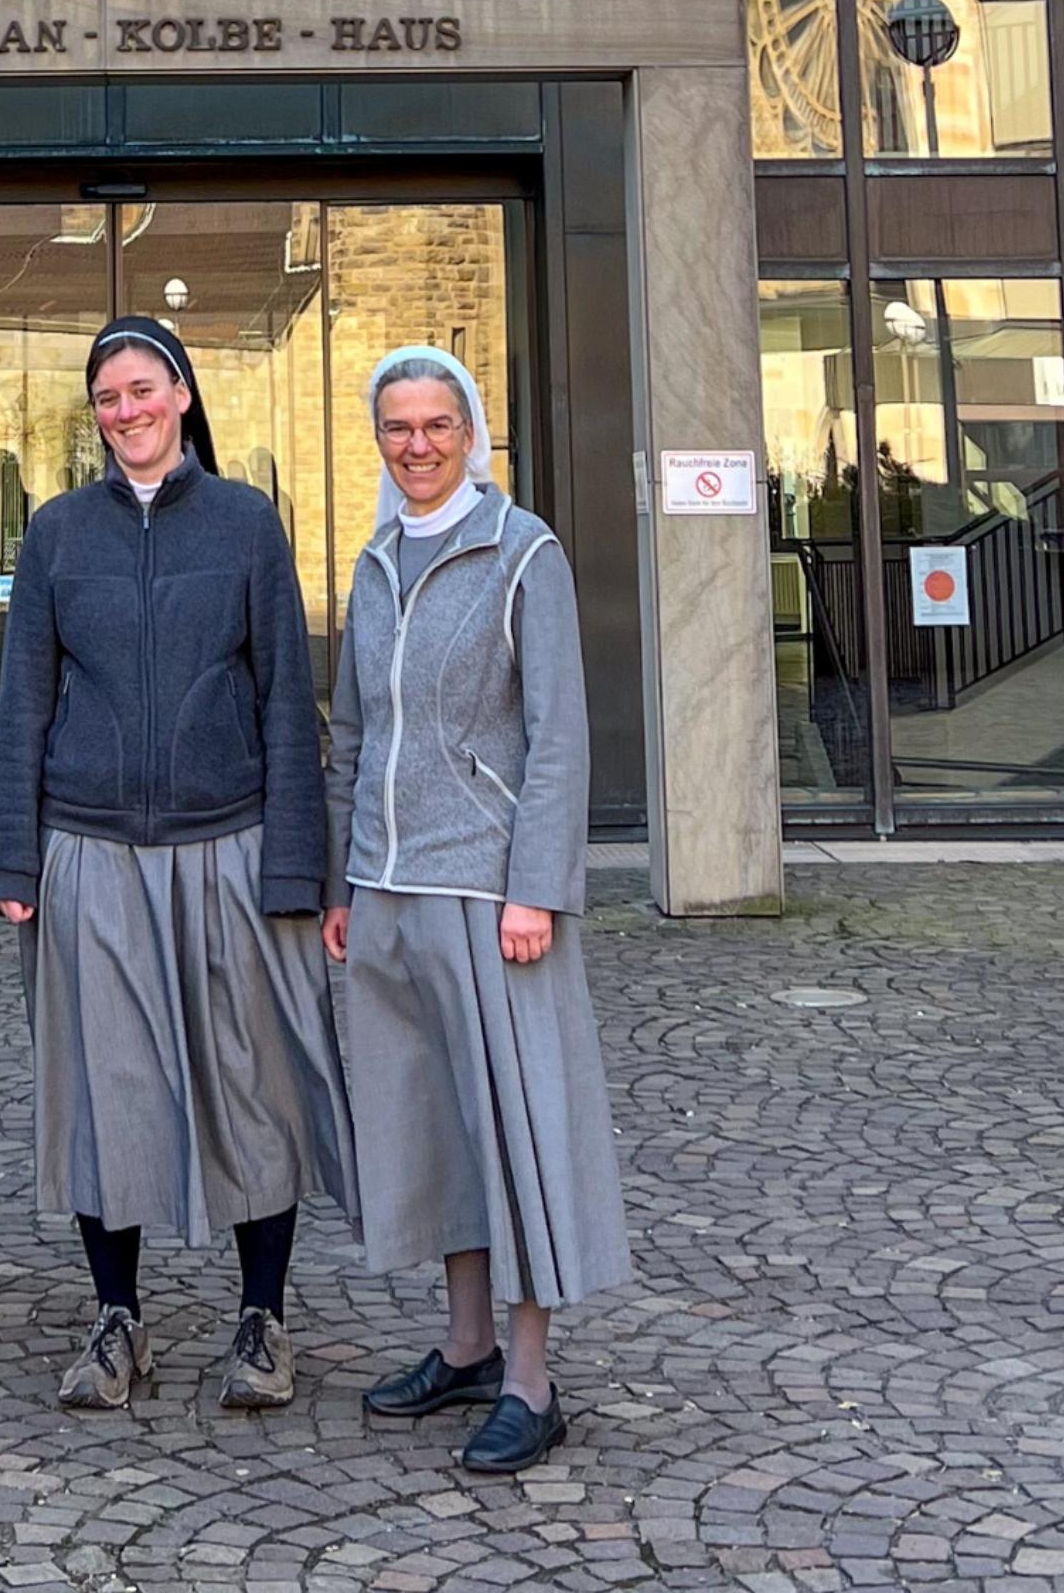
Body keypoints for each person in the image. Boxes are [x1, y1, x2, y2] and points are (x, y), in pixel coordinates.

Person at [0, 316, 357, 1413]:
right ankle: (117, 1320)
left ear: (184, 395)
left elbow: (292, 696)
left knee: (253, 1086)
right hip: (89, 850)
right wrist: (15, 854)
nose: (126, 411)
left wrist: (300, 865)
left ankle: (262, 1318)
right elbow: (26, 706)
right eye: (107, 398)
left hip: (228, 847)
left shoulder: (247, 525)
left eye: (143, 389)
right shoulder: (57, 533)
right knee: (108, 1093)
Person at [323, 347, 630, 1474]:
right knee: (436, 1129)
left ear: (471, 432)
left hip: (490, 893)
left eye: (436, 425)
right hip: (393, 892)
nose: (416, 445)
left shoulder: (523, 553)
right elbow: (352, 735)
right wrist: (347, 884)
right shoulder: (371, 561)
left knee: (517, 1135)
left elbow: (559, 738)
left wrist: (535, 888)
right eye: (397, 426)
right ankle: (460, 1346)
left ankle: (531, 1379)